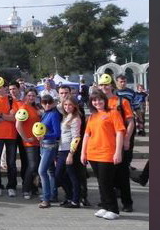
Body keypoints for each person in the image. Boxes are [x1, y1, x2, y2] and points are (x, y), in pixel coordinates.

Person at [81, 90, 126, 220]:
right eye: (94, 100)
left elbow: (120, 133)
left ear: (104, 100)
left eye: (100, 99)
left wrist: (118, 151)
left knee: (107, 182)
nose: (97, 102)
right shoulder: (92, 116)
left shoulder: (113, 113)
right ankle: (105, 206)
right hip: (93, 153)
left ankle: (113, 209)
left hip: (107, 153)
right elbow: (86, 135)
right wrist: (83, 152)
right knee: (101, 182)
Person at [99, 74, 135, 212]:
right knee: (107, 175)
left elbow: (130, 122)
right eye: (102, 85)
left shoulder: (121, 101)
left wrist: (126, 139)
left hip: (120, 141)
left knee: (122, 173)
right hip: (106, 143)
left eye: (106, 84)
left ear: (112, 85)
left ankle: (127, 202)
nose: (104, 87)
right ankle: (108, 201)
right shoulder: (99, 102)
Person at [0, 79, 20, 197]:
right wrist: (7, 116)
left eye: (0, 87)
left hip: (11, 134)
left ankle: (12, 186)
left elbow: (14, 118)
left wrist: (0, 114)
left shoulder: (12, 100)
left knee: (11, 162)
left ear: (5, 87)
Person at [55, 96, 82, 208]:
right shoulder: (66, 116)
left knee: (72, 176)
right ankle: (70, 196)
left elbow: (76, 137)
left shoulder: (75, 119)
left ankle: (75, 200)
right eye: (65, 105)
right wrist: (63, 100)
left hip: (69, 150)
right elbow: (58, 107)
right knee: (61, 176)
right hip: (62, 149)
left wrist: (71, 154)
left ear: (75, 106)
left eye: (70, 104)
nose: (67, 107)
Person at [36, 94, 62, 208]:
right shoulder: (46, 113)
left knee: (42, 171)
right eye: (44, 103)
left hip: (50, 146)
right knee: (50, 171)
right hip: (45, 145)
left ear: (53, 103)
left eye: (49, 102)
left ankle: (46, 199)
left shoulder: (54, 114)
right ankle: (52, 194)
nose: (47, 104)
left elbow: (57, 133)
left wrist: (44, 136)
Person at [15, 89, 41, 199]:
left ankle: (34, 188)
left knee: (36, 166)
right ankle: (26, 189)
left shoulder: (35, 108)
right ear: (25, 96)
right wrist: (25, 138)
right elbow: (18, 125)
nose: (31, 97)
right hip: (30, 142)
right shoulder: (23, 108)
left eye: (33, 95)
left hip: (37, 141)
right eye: (29, 95)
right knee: (32, 165)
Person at [9, 81, 28, 188]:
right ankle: (12, 184)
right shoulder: (8, 101)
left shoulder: (24, 101)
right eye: (10, 89)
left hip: (22, 133)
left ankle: (26, 182)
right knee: (11, 161)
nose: (12, 91)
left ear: (18, 89)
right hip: (10, 133)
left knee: (24, 159)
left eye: (14, 89)